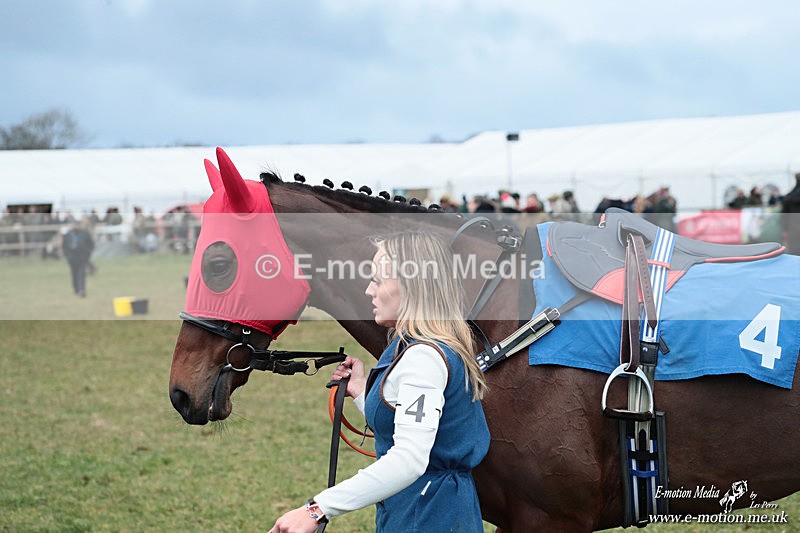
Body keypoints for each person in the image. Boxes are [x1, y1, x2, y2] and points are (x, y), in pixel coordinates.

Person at [269, 231, 490, 533]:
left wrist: (316, 509)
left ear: (412, 286)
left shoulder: (423, 356)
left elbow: (409, 459)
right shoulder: (420, 345)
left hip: (429, 517)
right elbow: (414, 426)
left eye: (377, 280)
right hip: (422, 510)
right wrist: (362, 392)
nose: (368, 291)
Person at [62, 219, 94, 297]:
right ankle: (76, 289)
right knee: (74, 274)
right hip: (72, 258)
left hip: (82, 257)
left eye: (78, 225)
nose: (76, 226)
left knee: (82, 273)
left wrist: (87, 254)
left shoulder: (85, 234)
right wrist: (67, 256)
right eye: (75, 225)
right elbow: (64, 246)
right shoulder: (69, 234)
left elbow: (91, 244)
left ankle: (81, 290)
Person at [782, 173, 800, 254]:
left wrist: (784, 228)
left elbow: (784, 215)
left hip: (793, 228)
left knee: (794, 253)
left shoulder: (788, 197)